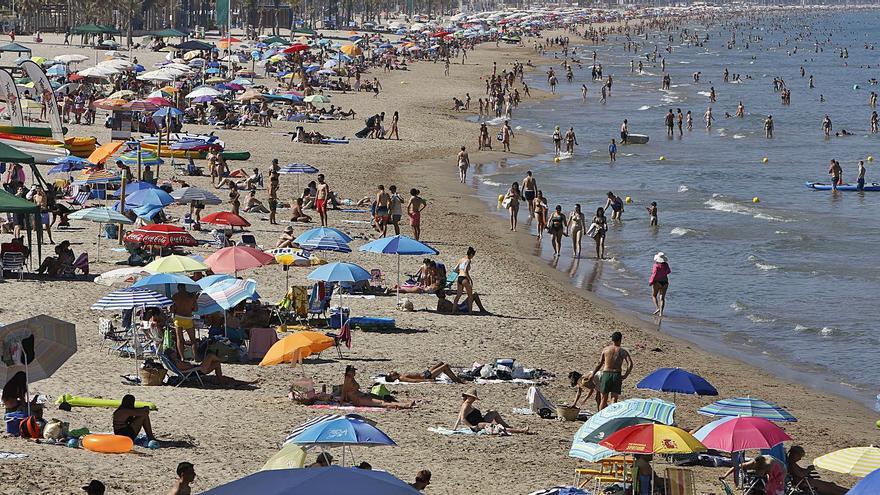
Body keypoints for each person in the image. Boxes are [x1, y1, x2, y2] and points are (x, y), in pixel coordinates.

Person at [454, 388, 529, 434]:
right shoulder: (466, 405)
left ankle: (509, 427)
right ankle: (520, 431)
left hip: (481, 420)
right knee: (497, 427)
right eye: (472, 397)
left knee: (494, 413)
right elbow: (462, 419)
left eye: (474, 398)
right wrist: (472, 427)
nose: (473, 399)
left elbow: (459, 418)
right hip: (478, 425)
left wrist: (454, 428)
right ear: (468, 396)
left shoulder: (468, 404)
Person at [593, 331, 633, 410]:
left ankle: (601, 417)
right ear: (620, 340)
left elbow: (599, 363)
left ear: (612, 340)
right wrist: (625, 375)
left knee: (603, 399)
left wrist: (593, 373)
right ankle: (611, 416)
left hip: (606, 374)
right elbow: (630, 364)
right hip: (616, 374)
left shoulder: (606, 350)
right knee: (614, 399)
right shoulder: (622, 351)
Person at [342, 365, 413, 409]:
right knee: (381, 402)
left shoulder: (351, 378)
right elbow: (344, 391)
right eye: (353, 371)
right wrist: (342, 401)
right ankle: (405, 405)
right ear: (348, 372)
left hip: (361, 395)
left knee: (380, 398)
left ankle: (401, 403)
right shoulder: (348, 379)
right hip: (358, 399)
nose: (355, 373)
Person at [721, 455, 785, 495]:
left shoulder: (768, 465)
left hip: (781, 469)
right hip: (765, 467)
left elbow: (767, 477)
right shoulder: (753, 462)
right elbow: (737, 467)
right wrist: (725, 475)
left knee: (774, 489)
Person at [171, 285, 198, 361]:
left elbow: (172, 310)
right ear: (185, 287)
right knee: (193, 340)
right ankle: (196, 357)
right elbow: (196, 309)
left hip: (178, 318)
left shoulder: (175, 296)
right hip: (188, 318)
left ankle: (182, 357)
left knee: (180, 339)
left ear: (178, 288)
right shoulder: (191, 296)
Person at [385, 362, 464, 383]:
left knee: (441, 363)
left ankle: (456, 373)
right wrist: (426, 380)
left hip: (425, 373)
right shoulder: (401, 378)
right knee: (445, 366)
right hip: (426, 376)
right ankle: (457, 380)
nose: (392, 371)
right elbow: (414, 381)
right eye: (391, 373)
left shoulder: (400, 374)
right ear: (392, 377)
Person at [453, 247, 476, 314]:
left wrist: (459, 272)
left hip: (459, 278)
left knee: (458, 295)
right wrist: (470, 279)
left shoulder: (461, 260)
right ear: (471, 254)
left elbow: (455, 269)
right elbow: (466, 270)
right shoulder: (468, 260)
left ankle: (453, 311)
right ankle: (470, 312)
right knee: (470, 295)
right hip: (464, 278)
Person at [649, 252, 671, 317]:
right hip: (665, 282)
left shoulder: (656, 265)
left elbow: (654, 274)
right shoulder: (666, 264)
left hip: (657, 282)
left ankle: (657, 308)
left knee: (654, 295)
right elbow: (669, 271)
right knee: (662, 298)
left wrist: (651, 282)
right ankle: (661, 313)